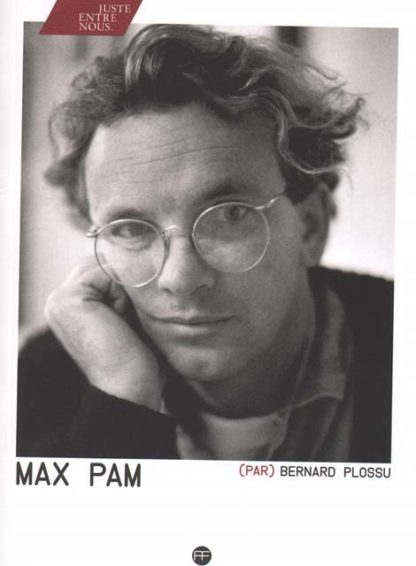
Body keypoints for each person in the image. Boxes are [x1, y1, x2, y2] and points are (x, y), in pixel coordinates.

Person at [17, 24, 393, 462]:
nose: (180, 278)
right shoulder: (40, 381)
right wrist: (122, 400)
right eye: (131, 229)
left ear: (310, 227)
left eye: (229, 215)